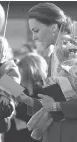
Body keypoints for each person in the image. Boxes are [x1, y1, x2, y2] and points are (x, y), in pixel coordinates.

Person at [26, 2, 77, 142]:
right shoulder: (53, 55)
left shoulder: (74, 51)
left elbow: (57, 104)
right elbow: (53, 100)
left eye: (36, 30)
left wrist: (56, 106)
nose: (34, 37)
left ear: (54, 27)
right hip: (55, 132)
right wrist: (25, 99)